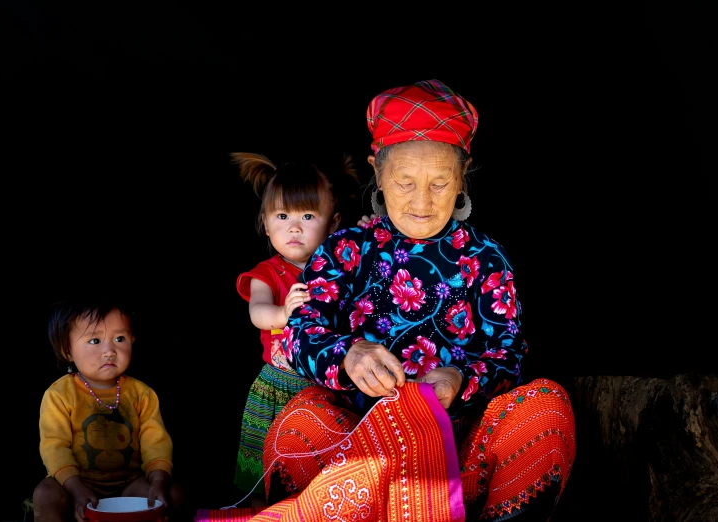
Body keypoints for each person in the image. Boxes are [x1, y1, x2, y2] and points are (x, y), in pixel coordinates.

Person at [197, 79, 577, 522]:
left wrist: (458, 378)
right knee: (299, 421)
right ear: (377, 170)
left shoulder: (485, 257)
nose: (421, 202)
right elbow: (299, 334)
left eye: (439, 183)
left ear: (464, 174)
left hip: (461, 456)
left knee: (546, 405)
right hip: (357, 457)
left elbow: (508, 352)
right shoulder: (346, 249)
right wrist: (349, 355)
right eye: (404, 182)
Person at [230, 152, 360, 508]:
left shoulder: (340, 265)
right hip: (277, 387)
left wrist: (367, 234)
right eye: (283, 216)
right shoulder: (268, 272)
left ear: (332, 223)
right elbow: (258, 313)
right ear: (265, 222)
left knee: (316, 478)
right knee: (264, 477)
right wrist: (283, 312)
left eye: (307, 216)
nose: (295, 227)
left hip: (324, 391)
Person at [32, 298, 184, 522]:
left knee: (174, 494)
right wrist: (76, 489)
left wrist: (158, 481)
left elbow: (156, 442)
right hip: (76, 483)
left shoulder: (141, 393)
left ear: (132, 340)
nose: (110, 351)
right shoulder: (59, 395)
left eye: (119, 339)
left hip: (129, 485)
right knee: (45, 494)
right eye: (95, 340)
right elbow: (54, 448)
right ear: (67, 350)